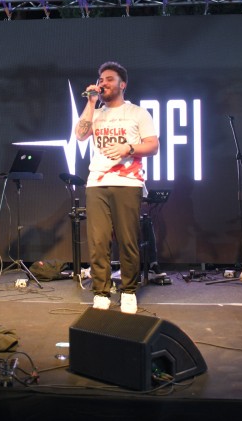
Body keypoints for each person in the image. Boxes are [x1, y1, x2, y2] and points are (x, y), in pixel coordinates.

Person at [75, 61, 159, 314]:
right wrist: (91, 102)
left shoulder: (137, 113)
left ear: (123, 85)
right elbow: (80, 134)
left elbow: (153, 146)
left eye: (109, 79)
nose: (103, 83)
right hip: (97, 183)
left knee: (127, 239)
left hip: (127, 182)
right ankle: (101, 292)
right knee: (98, 240)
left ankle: (129, 291)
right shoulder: (95, 113)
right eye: (101, 79)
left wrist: (128, 148)